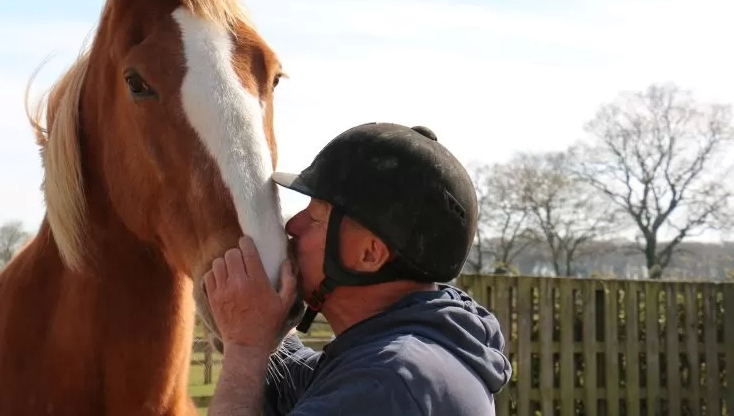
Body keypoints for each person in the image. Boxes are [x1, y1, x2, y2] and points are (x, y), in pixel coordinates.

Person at [203, 122, 512, 416]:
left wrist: (244, 349)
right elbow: (301, 383)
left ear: (369, 254)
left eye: (315, 218)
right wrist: (259, 317)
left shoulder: (388, 381)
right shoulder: (413, 357)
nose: (293, 226)